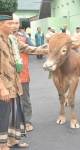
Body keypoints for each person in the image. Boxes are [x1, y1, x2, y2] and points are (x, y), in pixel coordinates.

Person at [0, 3, 28, 149]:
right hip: (3, 86)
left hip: (15, 84)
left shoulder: (12, 39)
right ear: (0, 24)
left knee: (15, 114)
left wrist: (50, 49)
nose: (13, 25)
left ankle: (13, 140)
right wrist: (2, 88)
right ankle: (2, 144)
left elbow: (27, 48)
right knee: (3, 115)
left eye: (14, 23)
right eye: (9, 23)